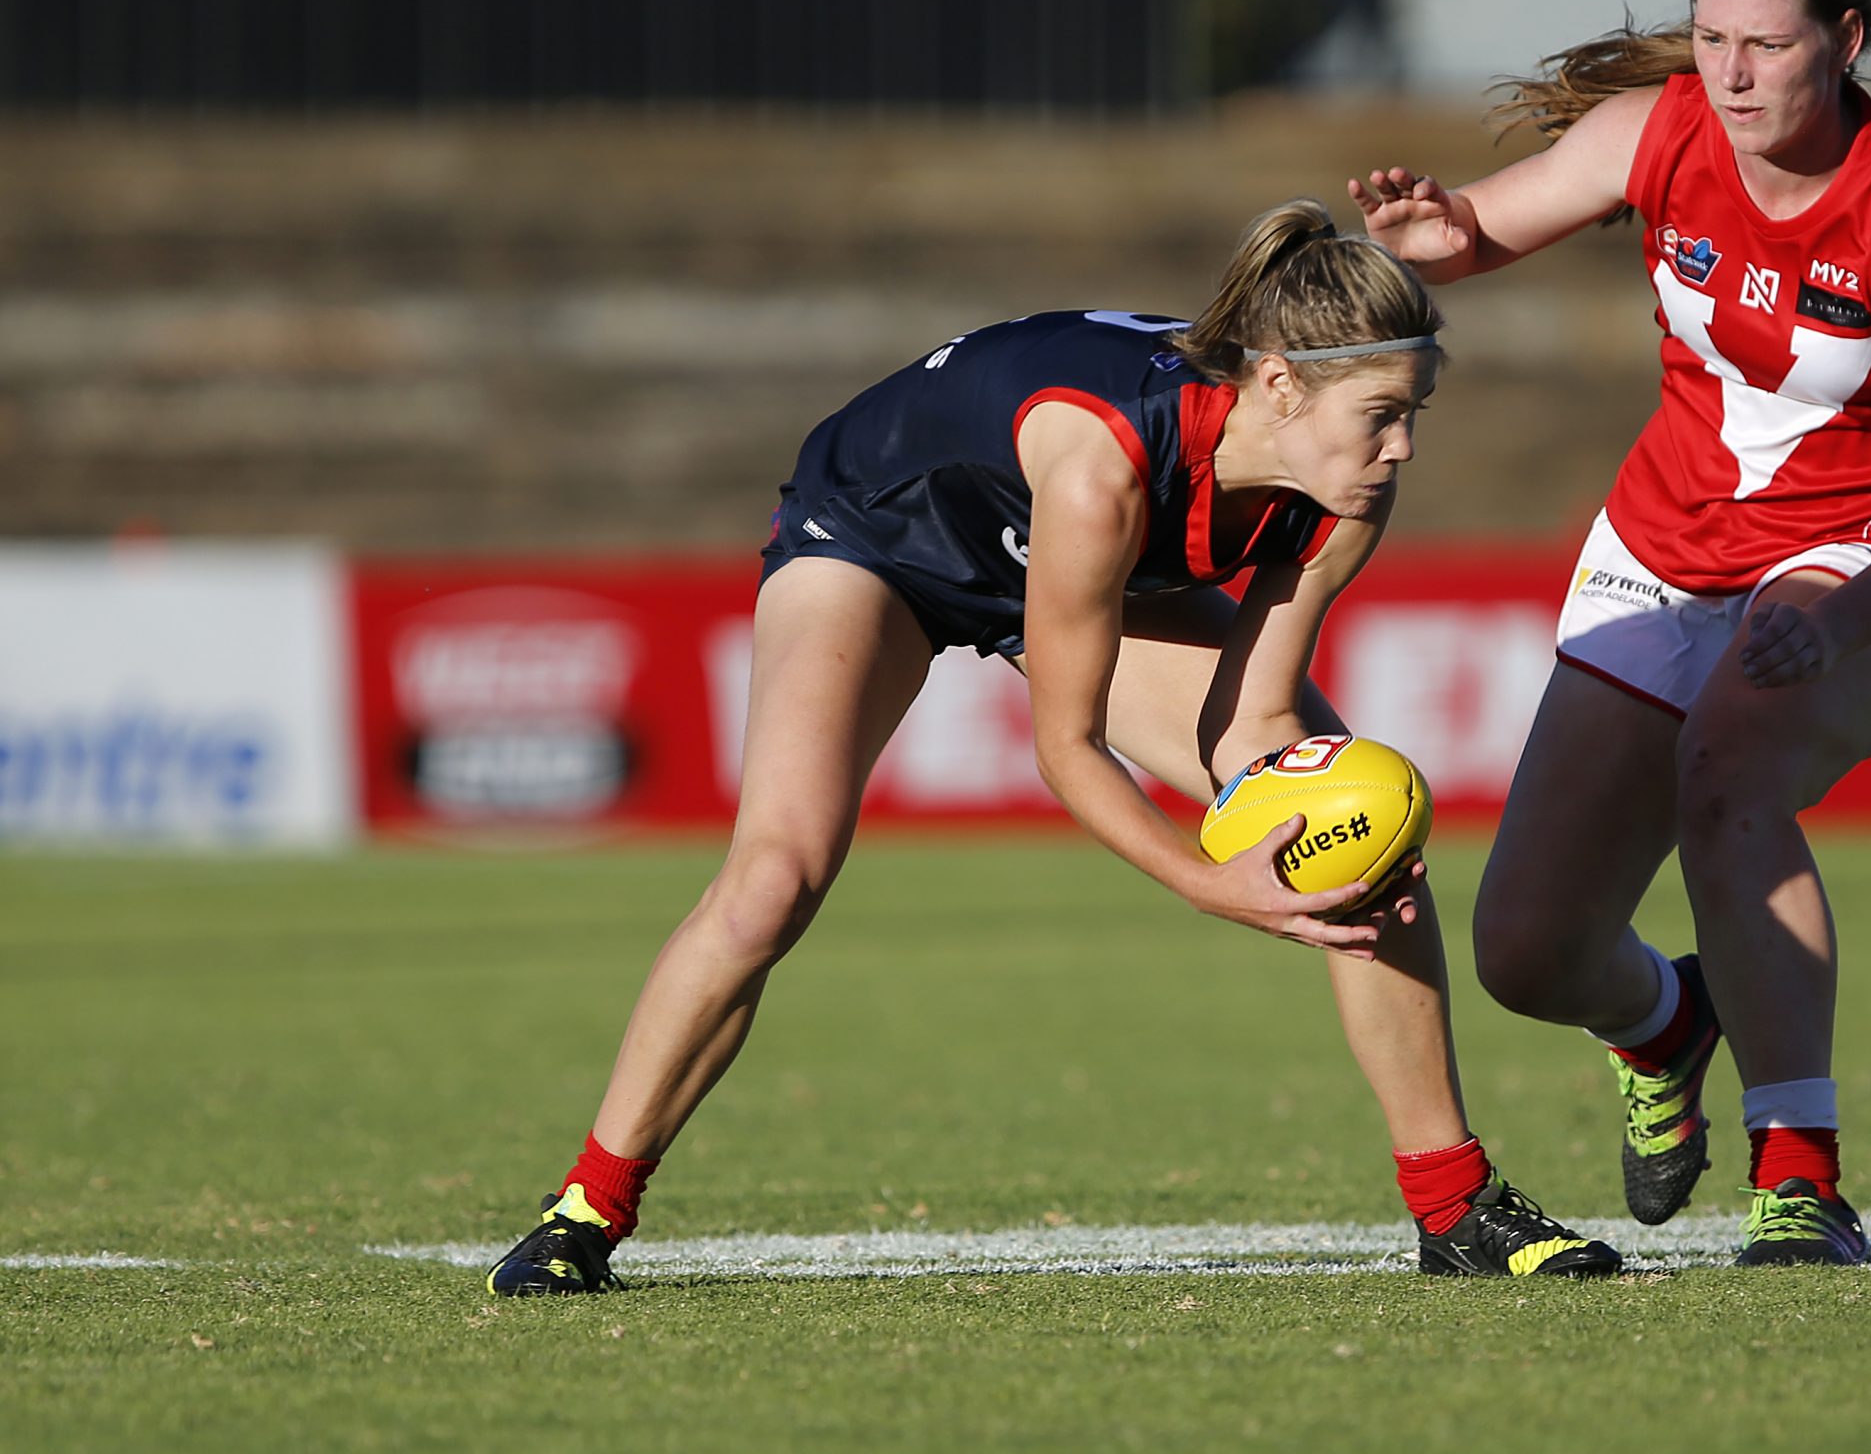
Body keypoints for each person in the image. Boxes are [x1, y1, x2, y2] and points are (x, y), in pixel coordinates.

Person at [487, 201, 1621, 1293]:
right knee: (772, 880)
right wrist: (1212, 883)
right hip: (883, 537)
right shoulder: (1104, 470)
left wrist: (1308, 839)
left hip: (1075, 571)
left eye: (1415, 407)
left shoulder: (1345, 487)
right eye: (1380, 412)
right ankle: (584, 1208)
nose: (1405, 445)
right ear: (1276, 382)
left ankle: (1454, 1205)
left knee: (1357, 832)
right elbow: (1066, 748)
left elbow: (1260, 722)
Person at [1353, 0, 1871, 1264]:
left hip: (1861, 553)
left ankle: (1801, 1178)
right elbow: (1477, 230)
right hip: (1666, 544)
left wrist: (1847, 614)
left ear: (1847, 37)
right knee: (1525, 948)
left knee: (1731, 766)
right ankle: (1665, 1019)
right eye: (1711, 38)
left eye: (1765, 44)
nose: (1731, 73)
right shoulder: (1661, 129)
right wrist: (1429, 237)